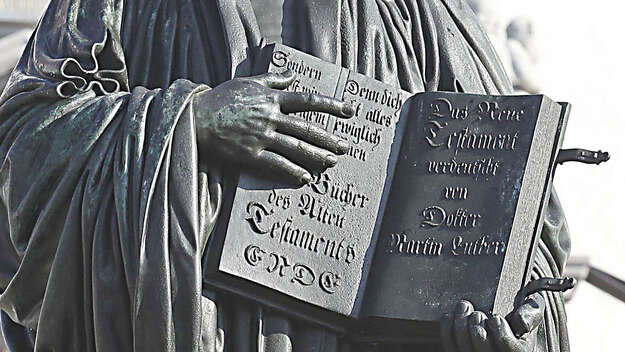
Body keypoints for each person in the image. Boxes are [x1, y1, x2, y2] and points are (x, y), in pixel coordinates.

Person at [0, 0, 572, 351]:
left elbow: (521, 207)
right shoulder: (126, 5)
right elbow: (25, 148)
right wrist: (190, 121)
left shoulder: (426, 14)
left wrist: (520, 326)